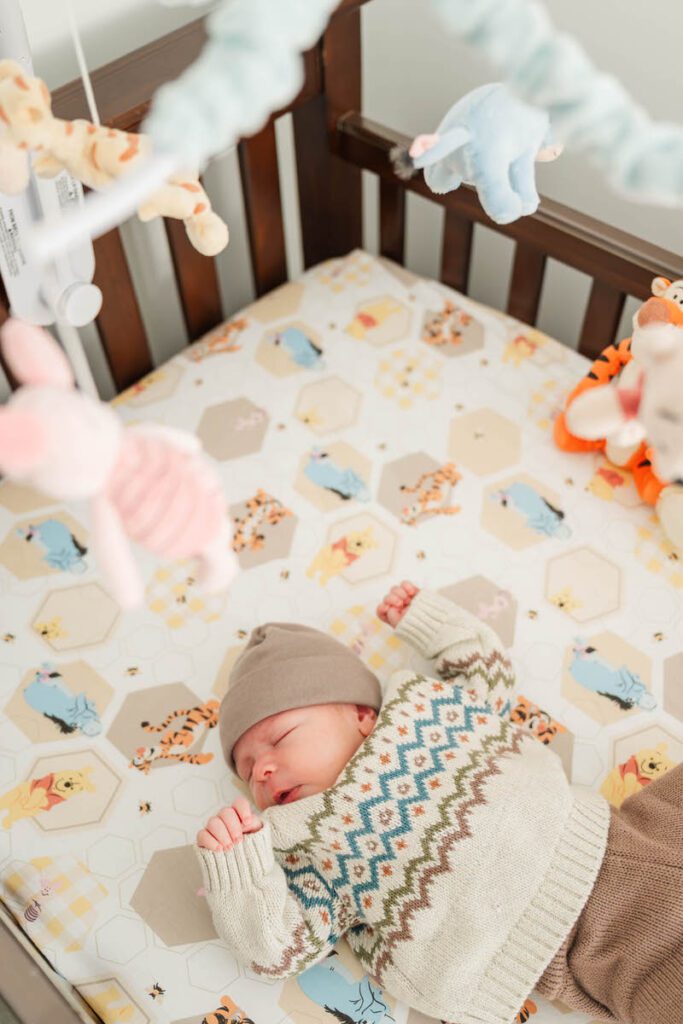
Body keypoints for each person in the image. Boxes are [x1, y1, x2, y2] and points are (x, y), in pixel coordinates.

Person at [196, 582, 683, 1024]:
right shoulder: (311, 850)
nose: (261, 770)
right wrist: (239, 871)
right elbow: (280, 949)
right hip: (598, 948)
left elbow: (486, 671)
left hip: (629, 830)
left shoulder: (428, 712)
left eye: (279, 738)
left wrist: (426, 620)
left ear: (362, 715)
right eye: (246, 769)